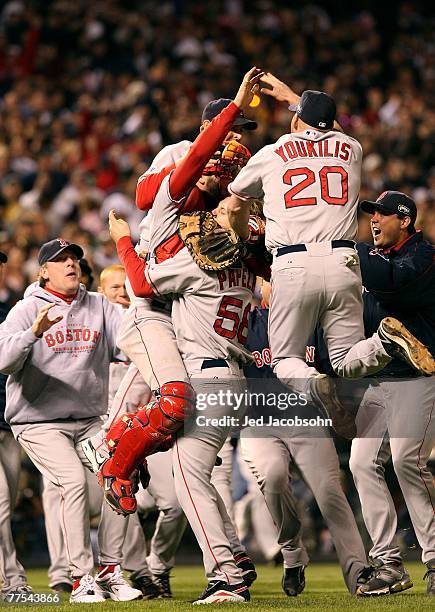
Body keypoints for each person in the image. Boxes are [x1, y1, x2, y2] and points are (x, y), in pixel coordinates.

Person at [104, 67, 263, 604]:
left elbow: (144, 281)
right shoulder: (230, 249)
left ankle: (225, 573)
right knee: (195, 473)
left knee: (190, 475)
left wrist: (125, 243)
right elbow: (156, 186)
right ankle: (232, 560)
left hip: (197, 359)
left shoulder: (200, 255)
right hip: (223, 369)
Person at [226, 73, 435, 415]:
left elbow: (235, 203)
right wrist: (295, 100)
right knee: (345, 359)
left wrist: (239, 235)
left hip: (292, 264)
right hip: (344, 261)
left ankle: (313, 383)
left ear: (296, 120)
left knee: (285, 360)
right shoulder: (351, 149)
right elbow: (331, 127)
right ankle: (384, 342)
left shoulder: (271, 152)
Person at [0, 239, 141, 604]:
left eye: (74, 258)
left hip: (89, 419)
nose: (70, 264)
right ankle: (81, 578)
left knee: (118, 477)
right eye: (60, 260)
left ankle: (110, 569)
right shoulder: (25, 308)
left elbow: (129, 344)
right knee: (73, 482)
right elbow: (3, 361)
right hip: (38, 422)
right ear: (43, 271)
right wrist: (33, 333)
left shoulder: (100, 306)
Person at [240, 281, 373, 596]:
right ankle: (291, 551)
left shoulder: (311, 324)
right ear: (261, 288)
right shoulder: (246, 324)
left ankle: (359, 575)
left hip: (306, 419)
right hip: (260, 421)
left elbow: (331, 372)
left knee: (330, 494)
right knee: (272, 479)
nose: (282, 287)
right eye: (273, 281)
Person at [348, 191, 435, 597]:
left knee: (407, 462)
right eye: (371, 215)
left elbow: (393, 283)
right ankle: (388, 562)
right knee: (361, 462)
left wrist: (343, 248)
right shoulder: (373, 259)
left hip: (419, 376)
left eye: (382, 214)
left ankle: (434, 558)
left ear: (405, 219)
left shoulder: (423, 256)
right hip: (381, 379)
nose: (374, 220)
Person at [0, 250, 31, 597]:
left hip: (8, 422)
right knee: (1, 503)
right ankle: (14, 580)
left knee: (6, 505)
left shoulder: (16, 309)